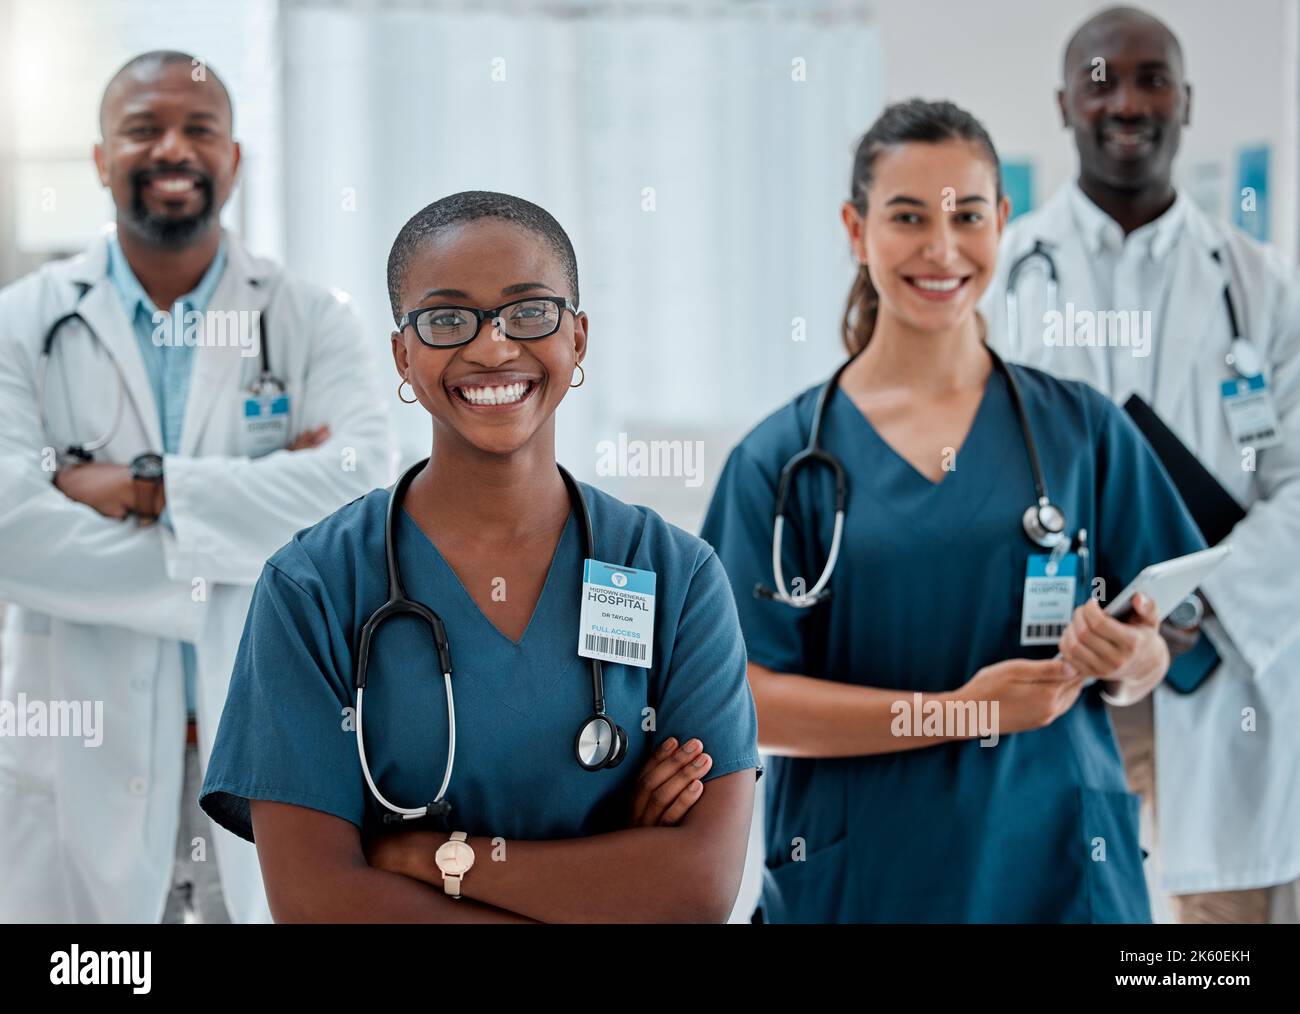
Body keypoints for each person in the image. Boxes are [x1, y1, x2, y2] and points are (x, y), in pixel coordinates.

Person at [701, 99, 1207, 923]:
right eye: (906, 217)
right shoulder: (780, 463)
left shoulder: (1081, 429)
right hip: (867, 877)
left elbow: (1161, 638)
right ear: (855, 230)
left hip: (1059, 870)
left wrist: (1129, 660)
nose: (942, 249)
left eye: (967, 215)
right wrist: (961, 712)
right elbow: (742, 700)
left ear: (1001, 222)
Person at [198, 191, 761, 923]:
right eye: (446, 319)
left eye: (529, 312)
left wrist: (433, 859)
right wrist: (605, 884)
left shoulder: (676, 576)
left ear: (579, 338)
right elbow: (316, 904)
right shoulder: (313, 589)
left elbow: (696, 888)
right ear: (402, 354)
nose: (492, 347)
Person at [0, 51, 392, 923]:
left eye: (199, 129)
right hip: (76, 749)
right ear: (102, 159)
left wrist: (140, 490)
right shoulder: (22, 322)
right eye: (142, 128)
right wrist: (247, 528)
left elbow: (358, 495)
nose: (171, 147)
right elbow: (9, 533)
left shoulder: (310, 317)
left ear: (235, 159)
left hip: (262, 749)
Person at [981, 7, 1300, 924]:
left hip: (1222, 665)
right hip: (1057, 657)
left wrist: (1202, 603)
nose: (1126, 100)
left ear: (1186, 100)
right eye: (1100, 78)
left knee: (1213, 939)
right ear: (1063, 102)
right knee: (1068, 897)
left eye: (1151, 77)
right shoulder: (1004, 274)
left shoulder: (1261, 284)